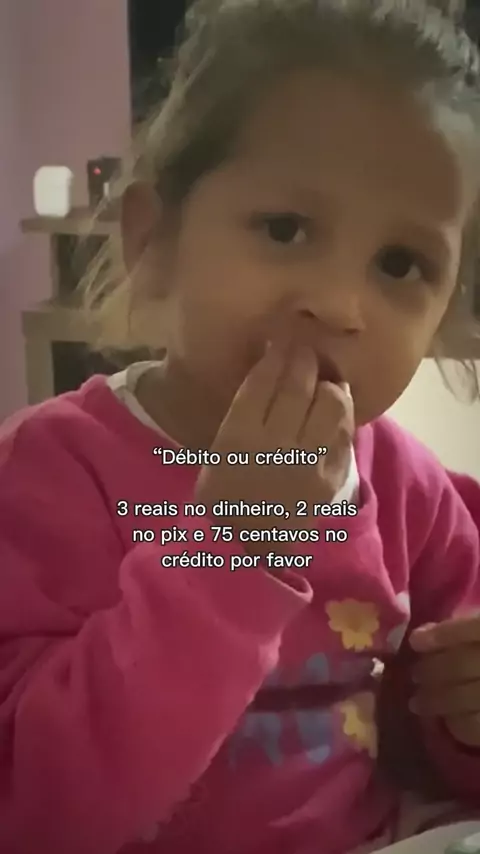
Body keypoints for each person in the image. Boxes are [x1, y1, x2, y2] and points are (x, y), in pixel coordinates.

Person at [2, 1, 480, 852]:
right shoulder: (48, 475)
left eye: (400, 263)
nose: (338, 305)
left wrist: (464, 721)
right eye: (285, 229)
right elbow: (35, 808)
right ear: (154, 239)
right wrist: (234, 541)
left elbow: (436, 756)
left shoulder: (415, 493)